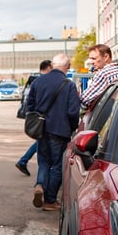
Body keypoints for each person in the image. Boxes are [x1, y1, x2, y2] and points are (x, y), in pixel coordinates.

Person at [25, 53, 80, 211]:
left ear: (53, 65)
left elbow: (29, 106)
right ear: (67, 66)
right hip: (60, 131)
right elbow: (72, 112)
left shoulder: (38, 81)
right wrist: (72, 127)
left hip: (41, 130)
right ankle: (50, 200)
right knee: (56, 165)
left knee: (43, 161)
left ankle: (40, 185)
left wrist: (38, 119)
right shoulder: (68, 85)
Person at [15, 60, 52, 177]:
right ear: (48, 68)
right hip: (41, 117)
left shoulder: (33, 80)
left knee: (41, 140)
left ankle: (23, 161)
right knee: (42, 141)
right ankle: (24, 162)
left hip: (34, 116)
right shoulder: (42, 82)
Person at [80, 44, 118, 110]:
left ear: (106, 57)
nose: (91, 62)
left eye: (94, 58)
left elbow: (85, 99)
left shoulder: (104, 73)